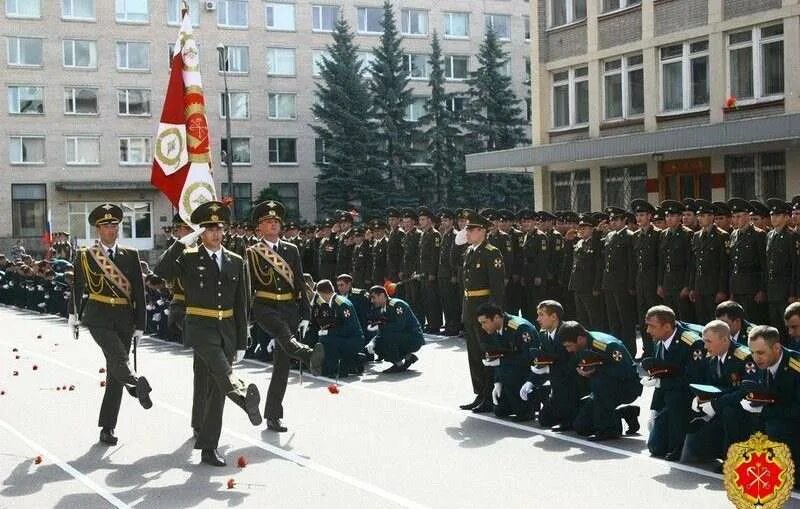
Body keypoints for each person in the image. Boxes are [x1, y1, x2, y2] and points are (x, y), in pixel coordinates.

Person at [153, 200, 261, 467]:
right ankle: (243, 395)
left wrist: (241, 339)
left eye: (219, 228)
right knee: (222, 372)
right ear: (201, 232)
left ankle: (208, 446)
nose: (215, 233)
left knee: (214, 388)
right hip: (199, 327)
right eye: (209, 229)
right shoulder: (190, 257)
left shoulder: (236, 261)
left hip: (225, 329)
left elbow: (241, 302)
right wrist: (182, 242)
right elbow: (160, 271)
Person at [68, 203, 152, 447]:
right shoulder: (85, 254)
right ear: (98, 229)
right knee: (118, 356)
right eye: (106, 226)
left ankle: (108, 427)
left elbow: (139, 291)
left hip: (125, 317)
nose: (111, 229)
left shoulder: (131, 255)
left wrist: (140, 325)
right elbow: (78, 287)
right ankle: (136, 384)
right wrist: (72, 315)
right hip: (98, 316)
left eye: (115, 225)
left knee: (116, 372)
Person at [246, 200, 325, 432]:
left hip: (288, 307)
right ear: (259, 227)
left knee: (281, 365)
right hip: (265, 306)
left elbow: (300, 281)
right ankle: (308, 354)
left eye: (275, 222)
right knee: (282, 333)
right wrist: (247, 318)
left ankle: (273, 415)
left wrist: (305, 313)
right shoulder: (252, 252)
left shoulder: (291, 250)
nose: (272, 225)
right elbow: (248, 286)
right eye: (267, 222)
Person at [684, 320, 756, 464]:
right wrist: (700, 399)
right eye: (704, 341)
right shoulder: (710, 357)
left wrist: (716, 404)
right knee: (693, 451)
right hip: (718, 407)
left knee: (730, 412)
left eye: (709, 341)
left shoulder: (744, 358)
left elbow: (745, 391)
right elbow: (707, 384)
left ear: (724, 340)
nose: (705, 346)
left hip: (741, 411)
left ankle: (733, 459)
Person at [642, 305, 705, 461]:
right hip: (670, 398)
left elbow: (693, 381)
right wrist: (654, 410)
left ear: (667, 326)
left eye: (652, 326)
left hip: (688, 400)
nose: (648, 331)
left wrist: (661, 384)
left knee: (676, 399)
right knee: (655, 447)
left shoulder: (692, 344)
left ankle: (680, 445)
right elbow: (661, 374)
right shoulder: (660, 340)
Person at [458, 210, 506, 413]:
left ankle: (489, 394)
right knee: (474, 353)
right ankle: (479, 392)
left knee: (487, 352)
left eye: (471, 230)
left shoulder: (491, 252)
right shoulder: (470, 251)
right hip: (470, 307)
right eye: (467, 230)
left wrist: (494, 315)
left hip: (484, 309)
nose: (467, 233)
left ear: (482, 231)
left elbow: (497, 287)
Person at [559, 322, 641, 441]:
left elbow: (626, 371)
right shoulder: (582, 344)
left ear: (580, 339)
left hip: (627, 386)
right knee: (581, 427)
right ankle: (624, 413)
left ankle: (609, 430)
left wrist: (595, 371)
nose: (568, 350)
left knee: (599, 382)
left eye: (569, 346)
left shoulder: (605, 345)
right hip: (603, 389)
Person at [732, 325, 800, 469]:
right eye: (752, 352)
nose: (756, 358)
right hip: (779, 418)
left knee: (776, 427)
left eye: (761, 352)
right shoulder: (763, 363)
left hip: (793, 425)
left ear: (776, 348)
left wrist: (764, 411)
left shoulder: (796, 367)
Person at [476, 303, 540, 421]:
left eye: (484, 322)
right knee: (500, 410)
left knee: (508, 371)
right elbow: (500, 354)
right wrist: (497, 381)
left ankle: (528, 407)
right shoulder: (496, 329)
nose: (483, 327)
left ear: (496, 318)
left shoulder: (520, 328)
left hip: (529, 372)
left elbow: (529, 358)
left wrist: (501, 362)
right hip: (512, 369)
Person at [533, 300, 584, 431]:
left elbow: (573, 362)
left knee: (577, 424)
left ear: (554, 316)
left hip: (574, 384)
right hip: (557, 384)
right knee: (545, 420)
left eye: (541, 315)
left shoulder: (568, 331)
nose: (538, 319)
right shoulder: (543, 335)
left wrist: (550, 368)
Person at [601, 207, 637, 355]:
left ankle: (629, 350)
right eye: (611, 220)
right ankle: (616, 349)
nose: (613, 222)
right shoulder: (609, 236)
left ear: (624, 220)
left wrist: (630, 285)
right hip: (609, 283)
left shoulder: (629, 236)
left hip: (622, 284)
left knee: (625, 319)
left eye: (616, 219)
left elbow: (631, 263)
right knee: (613, 319)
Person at [727, 198, 767, 325]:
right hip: (737, 286)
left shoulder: (758, 234)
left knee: (752, 321)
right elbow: (732, 263)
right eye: (733, 216)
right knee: (738, 321)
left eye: (738, 216)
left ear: (747, 216)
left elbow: (764, 265)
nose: (735, 219)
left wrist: (762, 290)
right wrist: (732, 290)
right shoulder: (733, 234)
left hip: (752, 286)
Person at [366, 285, 424, 373]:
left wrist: (381, 326)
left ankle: (399, 365)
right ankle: (408, 357)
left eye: (374, 297)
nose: (372, 301)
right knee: (377, 345)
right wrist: (372, 343)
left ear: (382, 295)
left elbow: (399, 326)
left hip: (413, 338)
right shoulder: (382, 309)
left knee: (387, 336)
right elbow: (381, 332)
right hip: (401, 337)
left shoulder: (396, 305)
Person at [688, 199, 729, 324]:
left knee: (715, 321)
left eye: (703, 216)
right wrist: (692, 287)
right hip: (700, 286)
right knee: (701, 321)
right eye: (699, 215)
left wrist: (722, 290)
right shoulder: (696, 236)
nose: (699, 218)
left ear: (711, 217)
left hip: (714, 286)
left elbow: (724, 265)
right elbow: (693, 265)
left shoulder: (722, 236)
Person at [315, 279, 365, 377]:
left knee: (327, 340)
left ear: (322, 293)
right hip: (347, 338)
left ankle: (335, 370)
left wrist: (329, 333)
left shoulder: (341, 303)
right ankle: (354, 360)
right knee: (324, 338)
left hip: (354, 339)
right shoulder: (334, 302)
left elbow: (349, 327)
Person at [631, 199, 662, 358]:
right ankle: (647, 349)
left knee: (655, 317)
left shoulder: (658, 234)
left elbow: (660, 261)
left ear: (650, 216)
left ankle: (657, 349)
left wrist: (659, 284)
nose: (639, 218)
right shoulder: (636, 236)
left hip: (652, 281)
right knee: (643, 317)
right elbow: (634, 262)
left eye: (642, 215)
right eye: (637, 215)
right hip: (640, 281)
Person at [764, 199, 798, 341]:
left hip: (785, 290)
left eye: (778, 215)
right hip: (773, 290)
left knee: (788, 329)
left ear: (786, 217)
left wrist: (792, 293)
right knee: (776, 329)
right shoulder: (770, 235)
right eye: (772, 215)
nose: (774, 218)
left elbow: (795, 267)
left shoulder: (792, 236)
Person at [658, 200, 694, 322]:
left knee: (683, 318)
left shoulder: (687, 234)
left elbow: (690, 263)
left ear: (679, 217)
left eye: (672, 216)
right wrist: (660, 284)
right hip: (668, 281)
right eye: (667, 216)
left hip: (680, 281)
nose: (669, 219)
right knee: (669, 317)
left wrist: (687, 286)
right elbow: (661, 262)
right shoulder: (663, 234)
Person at [568, 214, 604, 331]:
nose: (581, 230)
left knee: (594, 318)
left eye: (585, 228)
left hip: (589, 286)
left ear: (592, 229)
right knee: (582, 318)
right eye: (580, 228)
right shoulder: (579, 243)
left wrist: (596, 286)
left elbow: (598, 266)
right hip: (578, 285)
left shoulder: (596, 243)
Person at [418, 206, 443, 334]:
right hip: (423, 272)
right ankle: (430, 322)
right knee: (426, 299)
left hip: (430, 273)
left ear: (429, 220)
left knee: (433, 299)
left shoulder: (435, 234)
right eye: (420, 219)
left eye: (423, 219)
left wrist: (433, 273)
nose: (421, 222)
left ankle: (436, 324)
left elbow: (435, 256)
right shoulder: (424, 234)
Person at [437, 209, 460, 336]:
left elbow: (454, 257)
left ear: (452, 221)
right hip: (443, 273)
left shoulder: (455, 235)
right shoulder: (445, 234)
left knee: (452, 302)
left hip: (449, 274)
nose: (443, 223)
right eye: (442, 220)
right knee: (446, 301)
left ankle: (454, 326)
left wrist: (454, 274)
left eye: (446, 220)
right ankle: (449, 324)